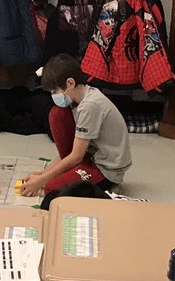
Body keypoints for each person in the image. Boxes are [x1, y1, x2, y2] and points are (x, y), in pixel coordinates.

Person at [18, 53, 132, 207]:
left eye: (55, 91)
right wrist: (42, 175)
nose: (53, 96)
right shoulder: (80, 98)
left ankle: (108, 187)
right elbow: (74, 153)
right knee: (57, 113)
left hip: (106, 170)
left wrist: (42, 181)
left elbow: (76, 156)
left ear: (70, 83)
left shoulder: (89, 106)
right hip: (91, 157)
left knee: (52, 189)